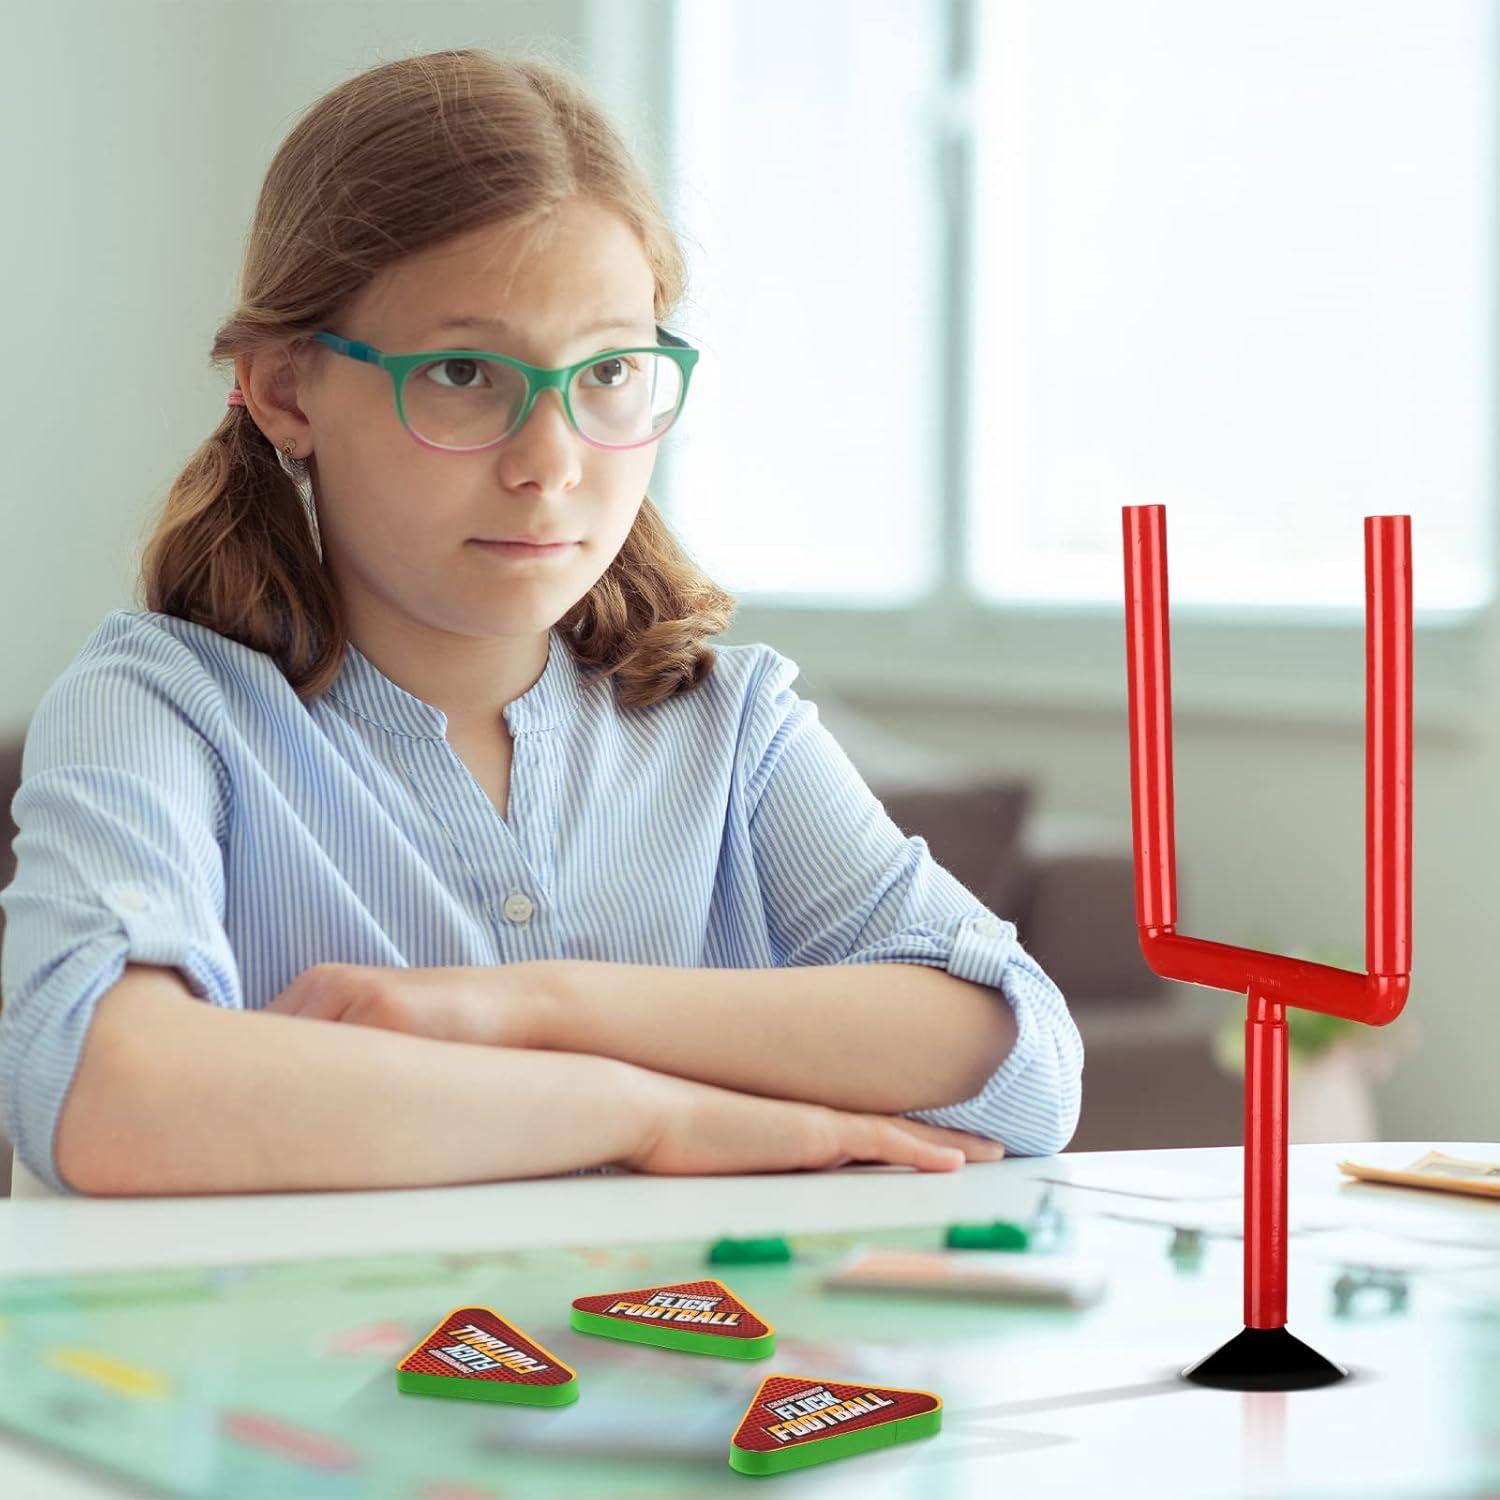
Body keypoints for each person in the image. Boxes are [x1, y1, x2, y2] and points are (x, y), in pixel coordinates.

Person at [0, 47, 1082, 1198]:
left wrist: (529, 1005)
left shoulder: (730, 726)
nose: (550, 463)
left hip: (673, 1369)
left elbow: (1021, 1065)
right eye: (465, 371)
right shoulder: (161, 705)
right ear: (285, 390)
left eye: (610, 371)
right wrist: (645, 1112)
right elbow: (106, 1095)